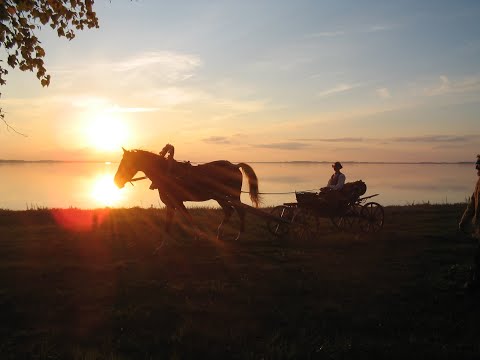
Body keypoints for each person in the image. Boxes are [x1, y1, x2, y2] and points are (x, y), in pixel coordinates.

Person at [459, 154, 480, 291]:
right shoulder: (479, 183)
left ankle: (473, 283)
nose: (476, 167)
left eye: (478, 164)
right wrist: (464, 220)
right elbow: (472, 204)